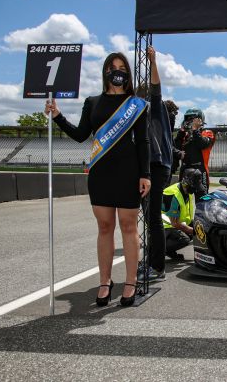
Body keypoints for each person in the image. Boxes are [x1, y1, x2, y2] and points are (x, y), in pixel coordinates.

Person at [45, 52, 150, 307]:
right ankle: (105, 281)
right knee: (104, 227)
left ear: (128, 73)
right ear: (105, 72)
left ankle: (130, 281)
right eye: (112, 67)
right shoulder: (92, 102)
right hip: (101, 172)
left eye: (122, 67)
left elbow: (143, 141)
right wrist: (58, 116)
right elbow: (81, 134)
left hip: (128, 171)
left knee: (128, 227)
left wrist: (145, 174)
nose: (117, 71)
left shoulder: (136, 104)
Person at [138, 45, 174, 282]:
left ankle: (157, 267)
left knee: (152, 218)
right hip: (150, 165)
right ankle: (151, 260)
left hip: (157, 165)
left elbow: (156, 88)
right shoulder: (144, 110)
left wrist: (152, 62)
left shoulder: (153, 105)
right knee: (148, 218)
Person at [172, 108, 215, 196]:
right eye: (188, 119)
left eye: (193, 119)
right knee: (182, 197)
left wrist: (195, 130)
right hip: (185, 170)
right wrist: (181, 132)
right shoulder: (185, 135)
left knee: (202, 198)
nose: (190, 121)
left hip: (200, 169)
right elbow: (175, 148)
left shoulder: (207, 133)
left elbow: (202, 144)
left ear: (200, 120)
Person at [161, 168, 202, 261]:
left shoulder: (187, 191)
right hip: (164, 227)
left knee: (199, 226)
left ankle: (169, 250)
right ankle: (158, 249)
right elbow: (175, 223)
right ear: (186, 182)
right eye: (194, 186)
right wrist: (194, 232)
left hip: (175, 223)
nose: (195, 189)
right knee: (184, 239)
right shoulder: (173, 194)